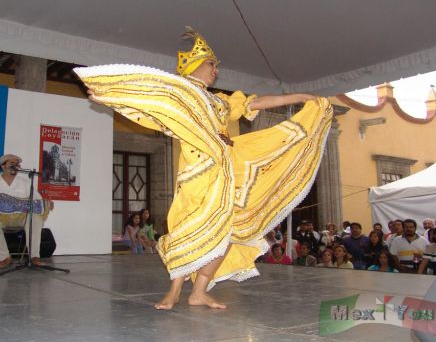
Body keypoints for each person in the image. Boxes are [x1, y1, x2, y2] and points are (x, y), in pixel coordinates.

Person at [79, 27, 333, 310]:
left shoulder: (219, 101)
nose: (216, 70)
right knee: (189, 230)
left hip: (226, 174)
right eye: (213, 64)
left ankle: (199, 291)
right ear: (195, 65)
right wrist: (111, 98)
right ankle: (174, 291)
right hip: (196, 175)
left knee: (224, 234)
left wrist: (299, 97)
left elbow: (255, 102)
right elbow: (151, 106)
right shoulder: (182, 95)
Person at [0, 154, 53, 269]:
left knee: (35, 217)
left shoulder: (25, 184)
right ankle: (5, 258)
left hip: (20, 218)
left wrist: (47, 203)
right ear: (3, 166)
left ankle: (34, 257)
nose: (15, 166)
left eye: (17, 164)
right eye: (12, 164)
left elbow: (38, 200)